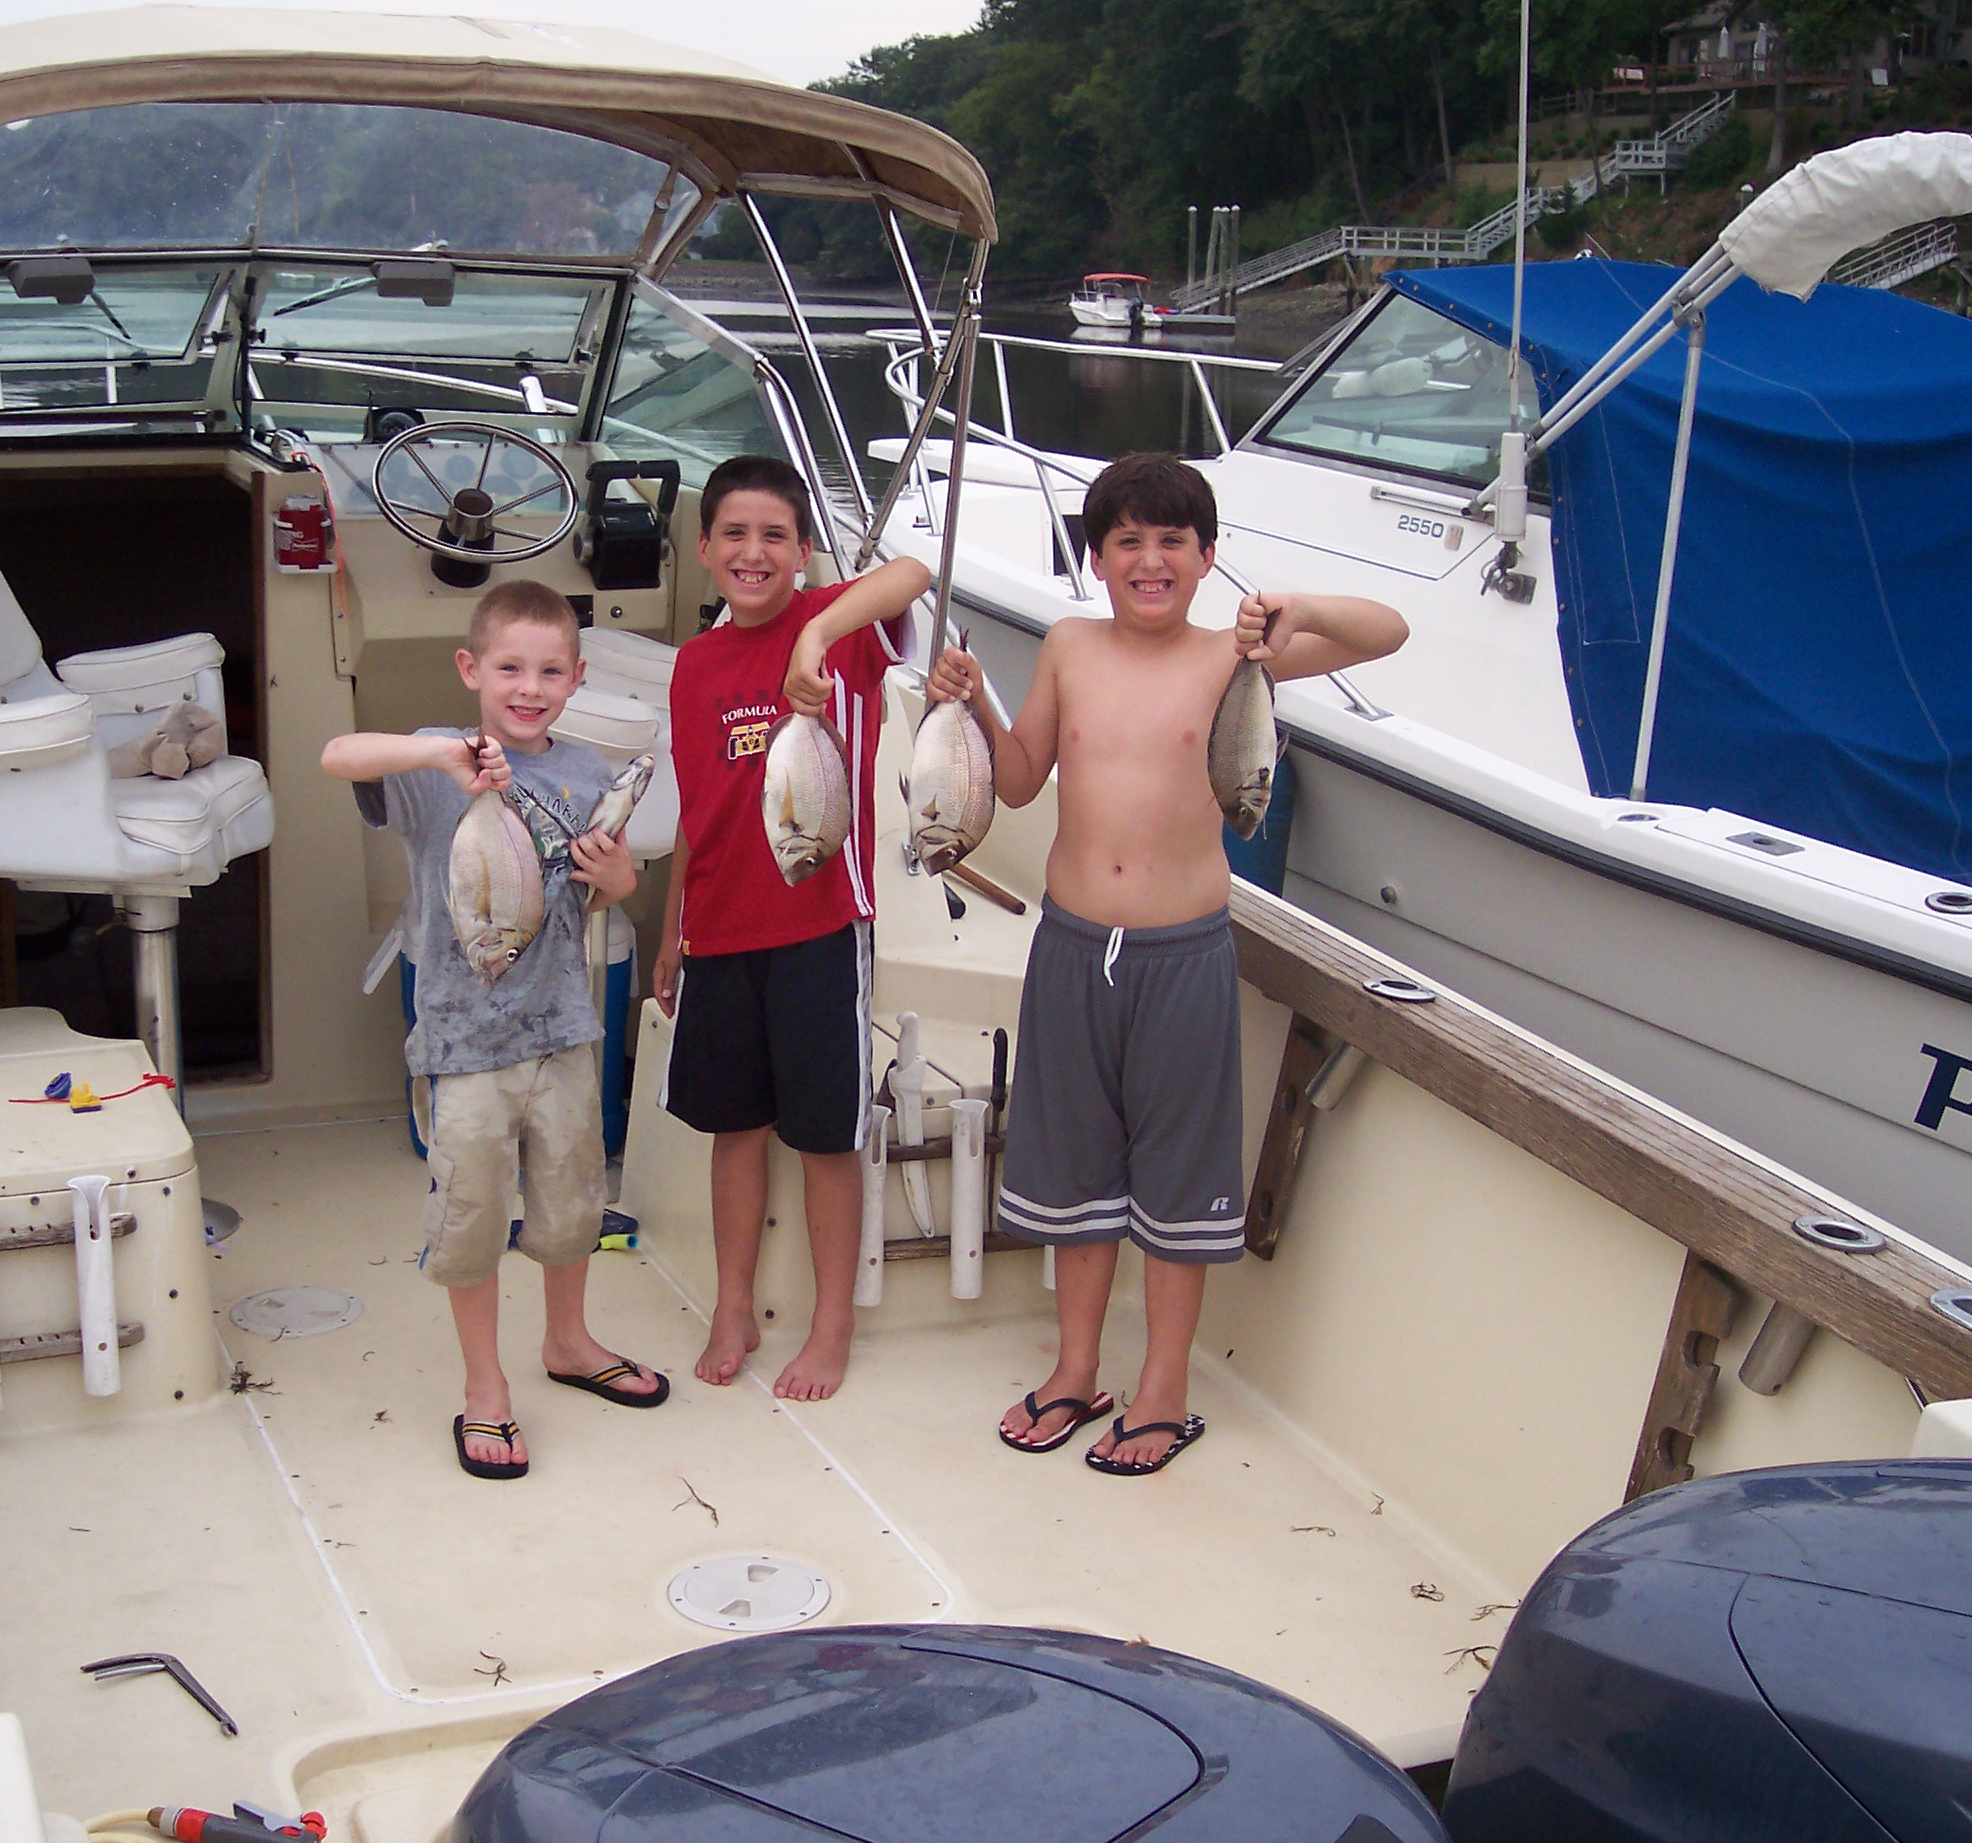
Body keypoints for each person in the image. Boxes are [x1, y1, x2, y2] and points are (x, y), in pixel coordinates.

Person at [928, 452, 1408, 1474]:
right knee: (1076, 1175)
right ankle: (1076, 1371)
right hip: (1071, 948)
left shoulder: (1237, 658)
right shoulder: (1068, 646)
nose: (1150, 561)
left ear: (1207, 557)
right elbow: (1019, 782)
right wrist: (972, 706)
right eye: (1128, 542)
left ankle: (1163, 1389)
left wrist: (1297, 609)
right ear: (1097, 558)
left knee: (1179, 1181)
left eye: (1173, 542)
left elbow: (1388, 633)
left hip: (1182, 955)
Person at [321, 580, 664, 1480]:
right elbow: (337, 755)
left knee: (570, 1205)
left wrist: (621, 882)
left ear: (577, 679)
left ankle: (569, 1341)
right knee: (473, 1217)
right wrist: (443, 757)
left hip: (563, 1030)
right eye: (510, 668)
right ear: (470, 669)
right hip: (464, 1046)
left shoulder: (587, 774)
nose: (529, 688)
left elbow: (594, 891)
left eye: (550, 672)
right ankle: (485, 1384)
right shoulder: (436, 769)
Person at [653, 455, 932, 1401]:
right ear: (703, 550)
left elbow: (912, 573)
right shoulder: (693, 665)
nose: (754, 552)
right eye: (734, 534)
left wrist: (815, 632)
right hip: (718, 933)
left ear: (805, 550)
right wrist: (672, 933)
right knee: (734, 1130)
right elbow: (697, 813)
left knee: (825, 1138)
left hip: (819, 929)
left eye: (775, 535)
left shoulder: (842, 636)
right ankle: (732, 1305)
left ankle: (831, 1324)